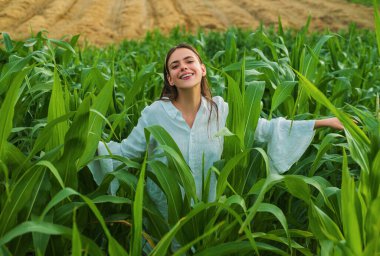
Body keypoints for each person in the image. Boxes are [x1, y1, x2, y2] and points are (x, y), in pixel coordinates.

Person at [88, 43, 343, 215]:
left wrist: (322, 123)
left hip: (212, 217)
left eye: (189, 61)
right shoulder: (155, 113)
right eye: (175, 66)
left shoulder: (221, 111)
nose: (183, 67)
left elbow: (265, 129)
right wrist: (84, 146)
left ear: (202, 69)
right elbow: (125, 153)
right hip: (165, 220)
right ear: (170, 79)